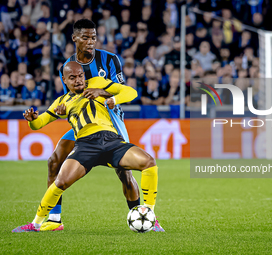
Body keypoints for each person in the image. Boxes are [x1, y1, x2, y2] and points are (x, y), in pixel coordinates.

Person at [41, 19, 163, 232]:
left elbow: (121, 91)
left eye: (94, 37)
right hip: (84, 123)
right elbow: (71, 98)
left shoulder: (110, 60)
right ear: (75, 38)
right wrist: (61, 111)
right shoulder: (68, 65)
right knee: (54, 161)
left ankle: (147, 217)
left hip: (111, 121)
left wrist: (102, 93)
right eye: (86, 37)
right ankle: (53, 219)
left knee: (124, 172)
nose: (91, 42)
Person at [12, 61, 159, 232]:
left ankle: (150, 216)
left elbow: (131, 92)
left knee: (149, 162)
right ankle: (36, 224)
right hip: (85, 146)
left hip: (111, 140)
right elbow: (40, 123)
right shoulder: (62, 102)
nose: (78, 80)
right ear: (64, 81)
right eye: (72, 78)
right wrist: (32, 121)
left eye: (80, 75)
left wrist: (111, 98)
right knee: (60, 182)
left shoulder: (96, 83)